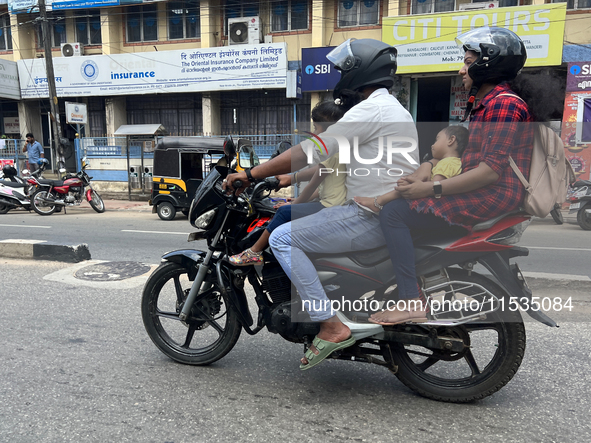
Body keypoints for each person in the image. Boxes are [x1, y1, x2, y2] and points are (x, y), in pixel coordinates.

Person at [224, 38, 419, 370]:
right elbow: (323, 163)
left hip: (368, 214)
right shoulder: (392, 109)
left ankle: (330, 324)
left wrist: (251, 174)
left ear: (360, 72)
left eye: (344, 69)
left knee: (282, 237)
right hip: (372, 209)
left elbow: (310, 152)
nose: (339, 76)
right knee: (289, 219)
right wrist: (285, 180)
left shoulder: (371, 110)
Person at [369, 27, 535, 326]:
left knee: (394, 214)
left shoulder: (504, 104)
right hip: (483, 188)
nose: (462, 70)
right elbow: (457, 159)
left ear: (489, 64)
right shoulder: (484, 104)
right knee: (401, 206)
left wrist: (430, 190)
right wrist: (423, 177)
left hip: (493, 193)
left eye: (469, 62)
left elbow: (489, 172)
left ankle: (411, 300)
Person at [228, 100, 347, 266]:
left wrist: (295, 205)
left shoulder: (330, 149)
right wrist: (296, 202)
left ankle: (254, 252)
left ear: (327, 128)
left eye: (316, 128)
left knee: (284, 213)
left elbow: (314, 181)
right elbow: (325, 189)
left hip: (330, 209)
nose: (314, 132)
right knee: (286, 208)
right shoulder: (341, 148)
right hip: (333, 206)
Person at [354, 125, 468, 213]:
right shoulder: (450, 162)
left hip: (431, 202)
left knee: (404, 190)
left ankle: (378, 201)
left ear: (451, 140)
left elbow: (433, 186)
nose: (432, 145)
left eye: (436, 140)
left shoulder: (448, 163)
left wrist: (414, 184)